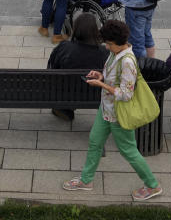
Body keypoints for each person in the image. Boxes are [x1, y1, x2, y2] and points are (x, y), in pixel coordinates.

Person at [62, 19, 163, 202]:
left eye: (108, 44)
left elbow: (125, 95)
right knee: (94, 142)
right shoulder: (116, 54)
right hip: (106, 110)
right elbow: (113, 77)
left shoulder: (128, 62)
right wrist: (101, 75)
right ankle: (86, 181)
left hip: (119, 114)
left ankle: (152, 185)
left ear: (117, 42)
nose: (107, 47)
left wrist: (100, 84)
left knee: (129, 151)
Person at [48, 14, 109, 121]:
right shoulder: (104, 52)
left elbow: (52, 68)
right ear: (95, 30)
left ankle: (64, 108)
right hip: (95, 95)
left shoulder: (64, 47)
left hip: (66, 93)